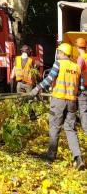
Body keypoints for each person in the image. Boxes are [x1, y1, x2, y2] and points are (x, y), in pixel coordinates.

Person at [30, 42, 85, 170]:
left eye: (59, 52)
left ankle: (50, 157)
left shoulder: (58, 63)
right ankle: (78, 158)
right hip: (72, 102)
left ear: (62, 53)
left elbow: (49, 79)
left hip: (58, 101)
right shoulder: (77, 67)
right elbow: (81, 88)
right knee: (70, 130)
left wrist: (37, 88)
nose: (58, 54)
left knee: (54, 127)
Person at [75, 36, 87, 132]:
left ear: (78, 47)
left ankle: (86, 131)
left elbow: (77, 74)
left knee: (83, 111)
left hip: (83, 89)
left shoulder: (80, 59)